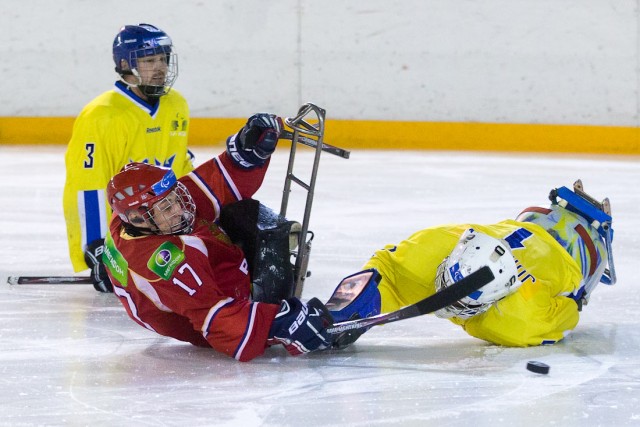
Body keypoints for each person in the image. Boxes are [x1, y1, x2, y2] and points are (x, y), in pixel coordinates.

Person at [102, 112, 334, 362]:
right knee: (266, 236)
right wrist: (279, 323)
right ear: (138, 219)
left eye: (174, 198)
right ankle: (255, 298)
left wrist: (246, 153)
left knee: (241, 212)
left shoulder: (134, 217)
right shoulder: (165, 263)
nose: (179, 208)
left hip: (185, 285)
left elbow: (206, 187)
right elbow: (215, 318)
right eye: (168, 208)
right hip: (203, 318)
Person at [326, 181, 616, 349]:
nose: (451, 303)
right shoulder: (437, 247)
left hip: (574, 252)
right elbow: (381, 274)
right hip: (548, 234)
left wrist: (342, 315)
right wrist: (336, 314)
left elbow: (569, 310)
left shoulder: (515, 318)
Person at [63, 23, 193, 293]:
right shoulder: (101, 115)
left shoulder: (176, 104)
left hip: (170, 223)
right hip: (125, 235)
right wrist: (97, 248)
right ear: (125, 64)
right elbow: (88, 185)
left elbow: (181, 167)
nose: (160, 67)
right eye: (148, 60)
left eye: (163, 58)